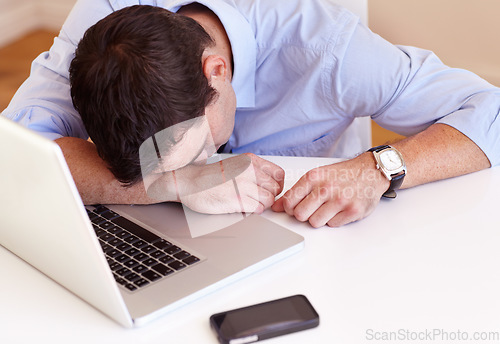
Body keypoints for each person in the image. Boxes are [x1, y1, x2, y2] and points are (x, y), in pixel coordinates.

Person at [2, 0, 499, 228]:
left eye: (196, 150)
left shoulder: (328, 49)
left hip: (319, 233)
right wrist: (179, 182)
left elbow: (489, 109)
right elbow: (16, 152)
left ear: (216, 71)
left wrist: (376, 169)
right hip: (174, 235)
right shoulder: (101, 30)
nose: (194, 166)